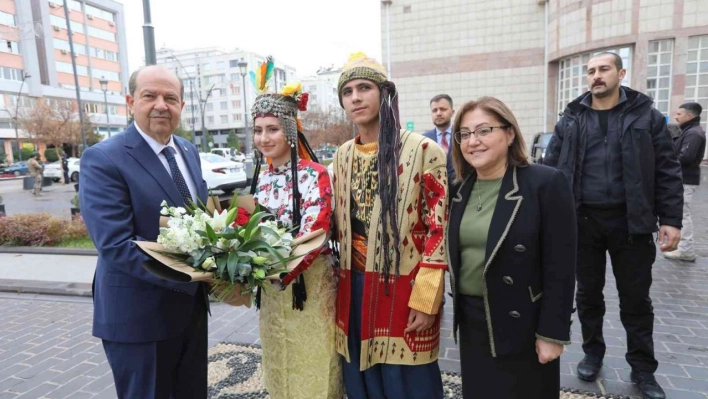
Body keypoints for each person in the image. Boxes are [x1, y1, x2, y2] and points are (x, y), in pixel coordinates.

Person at [544, 52, 683, 399]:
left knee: (635, 300)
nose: (596, 76)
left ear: (620, 73)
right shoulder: (571, 119)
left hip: (631, 223)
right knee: (588, 295)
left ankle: (643, 369)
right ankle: (593, 354)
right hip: (582, 222)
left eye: (603, 69)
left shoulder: (647, 117)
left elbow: (667, 170)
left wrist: (671, 219)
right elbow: (549, 169)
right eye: (590, 71)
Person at [79, 65, 211, 399]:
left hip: (191, 314)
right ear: (130, 101)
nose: (161, 105)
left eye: (171, 97)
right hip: (138, 319)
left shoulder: (187, 151)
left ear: (181, 105)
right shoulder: (103, 159)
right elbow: (116, 244)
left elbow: (201, 222)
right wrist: (196, 274)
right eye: (149, 95)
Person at [332, 52, 448, 399]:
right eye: (348, 91)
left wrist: (427, 297)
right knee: (361, 376)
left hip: (405, 282)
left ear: (384, 93)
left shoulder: (424, 150)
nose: (356, 97)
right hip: (353, 282)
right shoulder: (341, 156)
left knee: (407, 378)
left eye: (364, 87)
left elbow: (437, 229)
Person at [447, 97, 576, 398]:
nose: (472, 142)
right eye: (464, 134)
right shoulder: (458, 189)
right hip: (473, 320)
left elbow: (561, 267)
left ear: (509, 133)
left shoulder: (545, 184)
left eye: (483, 130)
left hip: (522, 322)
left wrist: (552, 333)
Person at [248, 61, 343, 399]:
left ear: (289, 129)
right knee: (278, 359)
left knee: (313, 361)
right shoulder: (259, 177)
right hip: (271, 291)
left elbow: (316, 233)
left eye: (272, 129)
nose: (263, 138)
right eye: (258, 130)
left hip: (309, 284)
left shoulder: (314, 173)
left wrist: (274, 267)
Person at [664, 102, 706, 262]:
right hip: (683, 178)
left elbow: (685, 157)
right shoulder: (688, 131)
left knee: (683, 214)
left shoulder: (693, 133)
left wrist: (666, 162)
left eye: (679, 114)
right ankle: (682, 247)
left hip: (686, 179)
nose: (676, 116)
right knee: (682, 213)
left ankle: (686, 250)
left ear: (689, 116)